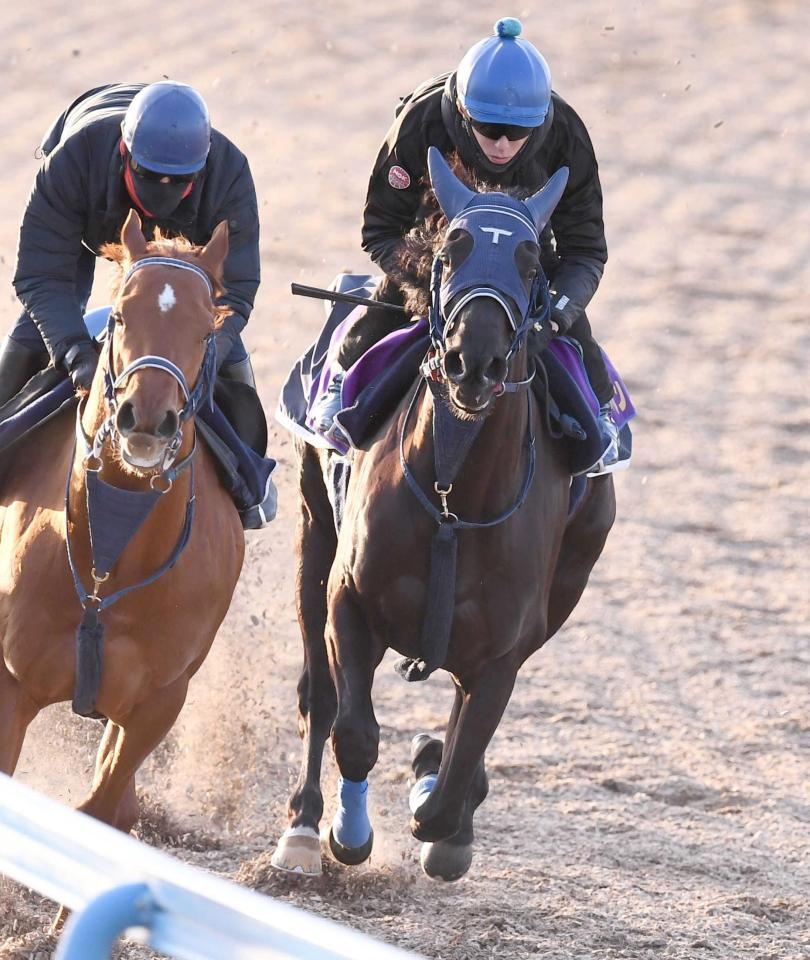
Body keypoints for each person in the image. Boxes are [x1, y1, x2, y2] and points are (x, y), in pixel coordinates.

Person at [315, 17, 620, 466]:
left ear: (539, 123)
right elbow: (380, 230)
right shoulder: (418, 123)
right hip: (439, 252)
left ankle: (602, 411)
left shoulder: (567, 137)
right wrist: (431, 277)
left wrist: (553, 318)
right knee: (387, 303)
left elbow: (587, 251)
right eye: (487, 128)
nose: (501, 144)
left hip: (527, 263)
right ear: (461, 111)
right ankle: (342, 382)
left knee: (578, 336)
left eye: (517, 134)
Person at [0, 81, 260, 406]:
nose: (164, 187)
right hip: (88, 221)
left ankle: (249, 455)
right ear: (125, 152)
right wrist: (75, 352)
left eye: (180, 180)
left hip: (185, 244)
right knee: (37, 333)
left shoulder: (228, 174)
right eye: (148, 174)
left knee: (221, 344)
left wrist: (206, 357)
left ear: (202, 166)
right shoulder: (72, 162)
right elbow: (43, 276)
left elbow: (234, 290)